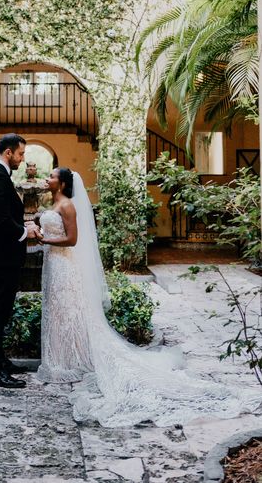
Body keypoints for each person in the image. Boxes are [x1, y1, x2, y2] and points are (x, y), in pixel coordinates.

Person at [36, 167, 261, 427]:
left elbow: (73, 240)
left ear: (62, 183)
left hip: (65, 265)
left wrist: (46, 240)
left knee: (69, 310)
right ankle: (62, 356)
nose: (46, 179)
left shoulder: (68, 206)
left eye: (51, 176)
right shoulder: (53, 202)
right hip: (54, 264)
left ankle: (72, 358)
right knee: (59, 311)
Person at [0, 133, 39, 389]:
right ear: (8, 153)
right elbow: (1, 223)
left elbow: (3, 217)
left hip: (4, 256)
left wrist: (23, 225)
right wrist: (27, 233)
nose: (22, 159)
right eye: (21, 154)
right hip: (3, 258)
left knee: (1, 313)